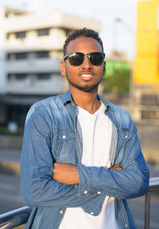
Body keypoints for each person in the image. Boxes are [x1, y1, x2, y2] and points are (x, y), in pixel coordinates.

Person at [21, 28, 149, 229]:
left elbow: (139, 182)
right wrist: (110, 179)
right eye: (76, 58)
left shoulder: (122, 119)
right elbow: (35, 191)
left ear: (104, 66)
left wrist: (79, 175)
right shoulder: (43, 114)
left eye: (95, 58)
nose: (87, 64)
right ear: (64, 67)